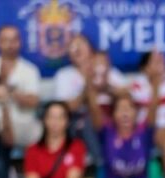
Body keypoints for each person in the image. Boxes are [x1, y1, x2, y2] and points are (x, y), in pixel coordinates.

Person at [53, 35, 128, 165]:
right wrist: (88, 87)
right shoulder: (64, 75)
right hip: (80, 119)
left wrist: (106, 87)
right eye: (72, 47)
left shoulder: (108, 72)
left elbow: (126, 95)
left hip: (111, 114)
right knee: (88, 122)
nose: (76, 49)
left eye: (80, 44)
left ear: (91, 50)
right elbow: (66, 108)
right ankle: (103, 164)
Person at [0, 24, 41, 148]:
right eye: (5, 40)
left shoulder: (30, 70)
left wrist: (8, 90)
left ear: (20, 42)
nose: (10, 44)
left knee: (36, 131)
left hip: (22, 124)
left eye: (14, 40)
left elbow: (33, 102)